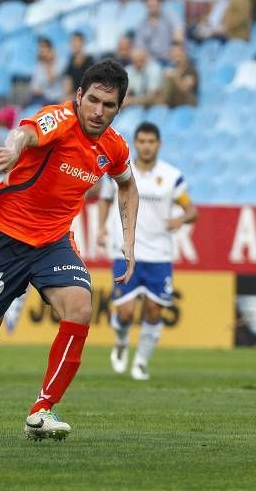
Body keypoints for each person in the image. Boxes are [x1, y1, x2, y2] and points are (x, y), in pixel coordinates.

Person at [0, 59, 140, 441]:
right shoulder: (61, 119)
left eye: (108, 106)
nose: (98, 112)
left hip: (54, 241)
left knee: (81, 307)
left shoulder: (113, 146)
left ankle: (42, 409)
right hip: (5, 234)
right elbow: (25, 134)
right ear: (79, 96)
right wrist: (11, 150)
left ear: (119, 108)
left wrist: (129, 242)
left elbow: (128, 186)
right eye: (93, 101)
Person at [97, 121, 197, 381]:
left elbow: (191, 210)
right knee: (126, 312)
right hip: (125, 251)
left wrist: (181, 219)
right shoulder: (120, 171)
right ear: (135, 144)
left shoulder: (171, 176)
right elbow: (106, 201)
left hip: (159, 254)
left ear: (158, 144)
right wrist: (101, 229)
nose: (146, 146)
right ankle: (121, 342)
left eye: (151, 141)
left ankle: (140, 361)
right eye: (141, 141)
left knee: (154, 310)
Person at [135, 0, 184, 64]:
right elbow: (140, 46)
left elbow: (178, 33)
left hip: (169, 59)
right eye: (148, 1)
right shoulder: (142, 24)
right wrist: (147, 59)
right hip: (152, 61)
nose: (151, 3)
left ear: (160, 3)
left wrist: (175, 48)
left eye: (153, 1)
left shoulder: (170, 16)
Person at [27, 37, 66, 107]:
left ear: (50, 49)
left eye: (43, 47)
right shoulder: (39, 65)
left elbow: (51, 79)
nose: (41, 50)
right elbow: (34, 87)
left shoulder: (61, 62)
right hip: (40, 97)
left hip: (55, 99)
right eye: (40, 48)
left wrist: (48, 62)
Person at [157, 43, 198, 107]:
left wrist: (175, 77)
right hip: (172, 104)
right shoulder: (171, 68)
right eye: (173, 52)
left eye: (178, 52)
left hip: (187, 104)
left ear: (184, 53)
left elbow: (184, 90)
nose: (175, 54)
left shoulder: (191, 70)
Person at [63, 31, 95, 98]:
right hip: (75, 96)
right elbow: (67, 85)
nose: (74, 44)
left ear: (83, 43)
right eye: (72, 41)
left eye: (77, 41)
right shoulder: (70, 62)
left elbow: (92, 85)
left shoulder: (90, 60)